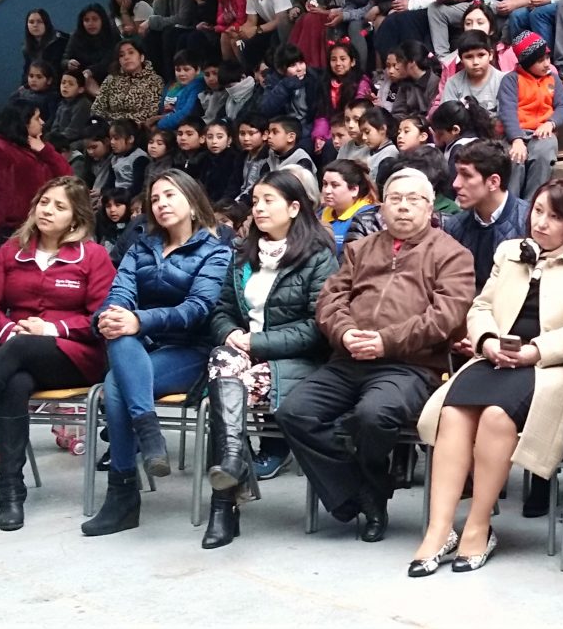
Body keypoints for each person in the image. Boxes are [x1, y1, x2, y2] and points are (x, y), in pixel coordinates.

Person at [413, 177, 563, 574]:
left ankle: (478, 527)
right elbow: (481, 306)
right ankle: (438, 530)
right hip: (495, 356)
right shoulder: (510, 252)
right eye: (538, 211)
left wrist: (537, 350)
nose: (542, 223)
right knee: (453, 413)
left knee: (496, 417)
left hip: (550, 365)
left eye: (556, 217)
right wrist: (486, 340)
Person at [275, 168, 476, 542]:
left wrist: (386, 341)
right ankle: (361, 491)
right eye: (394, 199)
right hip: (348, 358)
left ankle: (367, 493)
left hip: (410, 365)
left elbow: (446, 318)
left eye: (413, 200)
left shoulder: (452, 254)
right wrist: (345, 332)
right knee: (294, 412)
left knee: (373, 416)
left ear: (429, 207)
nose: (403, 207)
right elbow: (330, 301)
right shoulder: (360, 249)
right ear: (382, 207)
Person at [82, 170, 232, 536]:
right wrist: (109, 317)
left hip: (191, 350)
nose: (161, 203)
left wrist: (139, 320)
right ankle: (148, 433)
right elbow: (119, 294)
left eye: (170, 195)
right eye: (155, 199)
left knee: (115, 384)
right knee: (120, 336)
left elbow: (198, 308)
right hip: (141, 347)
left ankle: (123, 494)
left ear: (193, 203)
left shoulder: (216, 250)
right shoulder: (141, 247)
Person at [201, 170, 338, 548]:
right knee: (222, 361)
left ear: (294, 208)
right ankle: (232, 464)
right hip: (242, 354)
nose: (258, 208)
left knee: (225, 389)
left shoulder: (318, 257)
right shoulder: (243, 254)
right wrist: (230, 333)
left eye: (268, 201)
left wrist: (255, 342)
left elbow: (317, 326)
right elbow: (222, 310)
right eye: (256, 201)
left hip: (296, 360)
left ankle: (224, 504)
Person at [0, 177, 115, 531]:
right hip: (17, 353)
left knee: (21, 349)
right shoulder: (11, 251)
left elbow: (102, 317)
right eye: (44, 202)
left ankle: (11, 491)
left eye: (59, 206)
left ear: (76, 219)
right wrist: (9, 331)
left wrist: (51, 329)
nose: (47, 210)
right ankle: (10, 493)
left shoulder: (93, 256)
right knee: (16, 383)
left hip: (76, 358)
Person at [445, 140, 532, 290]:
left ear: (493, 182)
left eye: (466, 175)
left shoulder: (530, 222)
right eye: (457, 174)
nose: (456, 183)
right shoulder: (454, 227)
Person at [498, 31, 563, 199]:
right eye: (540, 61)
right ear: (527, 63)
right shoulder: (511, 80)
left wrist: (551, 123)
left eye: (547, 58)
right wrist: (516, 139)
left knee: (542, 155)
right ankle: (512, 203)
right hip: (515, 134)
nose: (547, 64)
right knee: (515, 159)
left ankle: (531, 203)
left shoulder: (553, 79)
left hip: (542, 133)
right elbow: (508, 111)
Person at [0, 104, 73, 242]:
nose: (42, 122)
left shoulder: (38, 147)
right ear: (23, 123)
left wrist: (45, 150)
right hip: (10, 230)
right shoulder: (0, 149)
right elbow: (0, 191)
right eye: (37, 118)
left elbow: (67, 176)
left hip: (36, 224)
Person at [139, 0, 195, 83]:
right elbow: (159, 14)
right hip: (171, 29)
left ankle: (171, 81)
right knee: (150, 36)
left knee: (168, 34)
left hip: (188, 28)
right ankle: (157, 81)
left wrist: (151, 22)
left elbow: (183, 18)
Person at [237, 0, 295, 72]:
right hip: (270, 29)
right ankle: (251, 75)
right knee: (244, 44)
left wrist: (256, 30)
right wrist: (241, 30)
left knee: (273, 41)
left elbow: (280, 20)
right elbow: (251, 21)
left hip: (288, 29)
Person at [90, 40, 165, 126]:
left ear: (141, 57)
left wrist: (120, 124)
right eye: (121, 55)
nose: (126, 57)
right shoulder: (111, 79)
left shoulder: (155, 81)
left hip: (137, 128)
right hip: (108, 127)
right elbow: (97, 108)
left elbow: (149, 114)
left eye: (131, 52)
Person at [319, 159, 379, 256]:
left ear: (354, 190)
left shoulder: (369, 218)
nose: (327, 191)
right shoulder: (319, 213)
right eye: (325, 184)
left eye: (335, 185)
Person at [442, 30, 504, 116]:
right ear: (461, 59)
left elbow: (508, 116)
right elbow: (447, 116)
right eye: (469, 57)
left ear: (491, 55)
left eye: (481, 55)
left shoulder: (504, 81)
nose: (475, 62)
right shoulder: (453, 83)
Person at [62, 4, 117, 89]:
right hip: (82, 79)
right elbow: (64, 59)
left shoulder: (112, 35)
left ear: (102, 20)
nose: (90, 23)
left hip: (108, 78)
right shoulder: (76, 36)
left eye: (95, 19)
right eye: (86, 20)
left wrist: (92, 71)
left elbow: (110, 60)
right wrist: (68, 63)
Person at [20, 8, 68, 86]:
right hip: (38, 86)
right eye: (31, 22)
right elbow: (27, 71)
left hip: (60, 85)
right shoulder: (26, 48)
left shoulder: (60, 40)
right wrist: (24, 85)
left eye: (39, 21)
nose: (35, 25)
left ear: (46, 23)